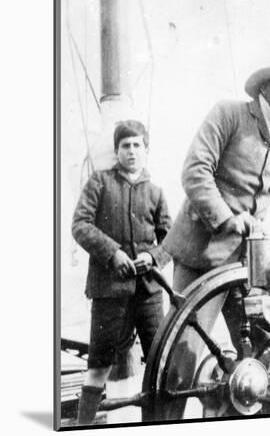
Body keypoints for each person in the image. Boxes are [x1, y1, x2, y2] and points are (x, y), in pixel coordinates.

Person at [161, 66, 270, 417]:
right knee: (180, 364)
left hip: (249, 268)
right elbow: (195, 171)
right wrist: (228, 219)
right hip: (202, 259)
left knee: (263, 361)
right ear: (265, 87)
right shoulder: (228, 114)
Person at [72, 120, 172, 425]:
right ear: (117, 151)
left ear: (146, 150)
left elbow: (171, 241)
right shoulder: (100, 182)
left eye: (136, 145)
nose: (131, 151)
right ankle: (84, 424)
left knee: (160, 363)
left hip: (149, 295)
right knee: (98, 366)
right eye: (125, 145)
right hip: (108, 292)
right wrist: (112, 252)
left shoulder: (156, 192)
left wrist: (151, 257)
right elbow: (80, 225)